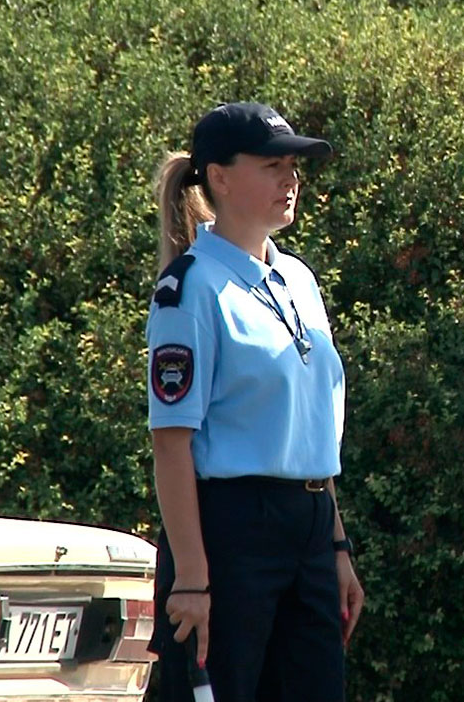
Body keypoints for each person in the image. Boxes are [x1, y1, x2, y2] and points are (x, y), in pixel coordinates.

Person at [146, 101, 364, 701]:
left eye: (294, 167)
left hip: (309, 527)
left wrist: (337, 545)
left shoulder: (300, 280)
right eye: (272, 166)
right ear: (219, 177)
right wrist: (192, 579)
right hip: (231, 533)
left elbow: (307, 428)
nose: (290, 179)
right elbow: (172, 443)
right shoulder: (190, 289)